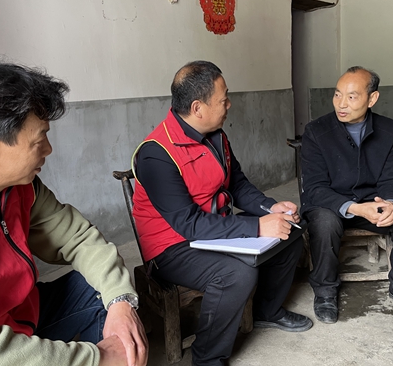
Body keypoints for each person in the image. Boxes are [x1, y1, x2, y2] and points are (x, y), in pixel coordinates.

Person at [0, 55, 148, 366]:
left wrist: (121, 301)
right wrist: (97, 358)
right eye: (39, 140)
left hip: (21, 314)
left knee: (101, 293)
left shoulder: (20, 187)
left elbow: (77, 238)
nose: (48, 149)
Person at [132, 61, 312, 366]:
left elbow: (237, 184)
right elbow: (189, 224)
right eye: (224, 99)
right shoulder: (156, 154)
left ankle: (267, 311)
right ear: (198, 108)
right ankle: (207, 358)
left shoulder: (215, 135)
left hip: (214, 226)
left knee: (290, 231)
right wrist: (257, 227)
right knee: (237, 275)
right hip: (172, 247)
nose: (229, 104)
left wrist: (270, 208)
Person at [300, 66, 393, 324]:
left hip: (372, 203)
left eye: (352, 96)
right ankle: (325, 291)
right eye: (337, 94)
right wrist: (353, 207)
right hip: (329, 204)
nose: (341, 104)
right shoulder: (316, 131)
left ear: (372, 98)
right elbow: (315, 187)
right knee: (325, 222)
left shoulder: (389, 130)